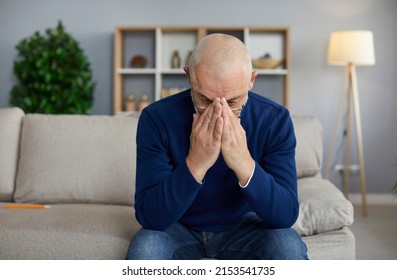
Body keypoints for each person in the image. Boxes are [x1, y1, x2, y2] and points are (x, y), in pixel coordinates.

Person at [125, 33, 308, 260]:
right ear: (189, 76)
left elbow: (285, 216)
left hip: (245, 227)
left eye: (232, 102)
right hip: (178, 225)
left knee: (287, 245)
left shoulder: (275, 120)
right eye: (205, 99)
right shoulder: (156, 118)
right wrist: (196, 163)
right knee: (145, 248)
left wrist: (243, 162)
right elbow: (150, 217)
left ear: (251, 80)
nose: (219, 112)